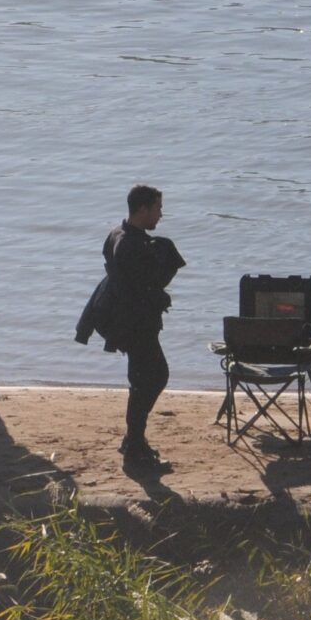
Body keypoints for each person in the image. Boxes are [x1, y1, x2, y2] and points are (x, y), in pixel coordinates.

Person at [77, 183, 185, 470]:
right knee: (154, 377)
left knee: (143, 381)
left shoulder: (118, 234)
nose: (160, 214)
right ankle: (134, 448)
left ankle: (133, 442)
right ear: (142, 209)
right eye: (157, 208)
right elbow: (142, 286)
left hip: (125, 319)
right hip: (133, 323)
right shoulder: (129, 244)